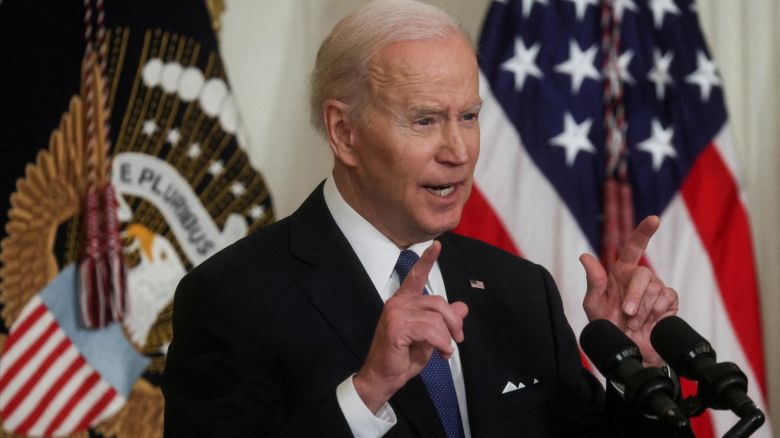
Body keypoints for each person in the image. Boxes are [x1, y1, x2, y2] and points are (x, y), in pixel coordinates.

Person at [162, 1, 691, 436]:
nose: (459, 151)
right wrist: (366, 394)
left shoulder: (520, 290)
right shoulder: (232, 298)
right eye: (425, 120)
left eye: (469, 116)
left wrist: (638, 369)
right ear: (344, 133)